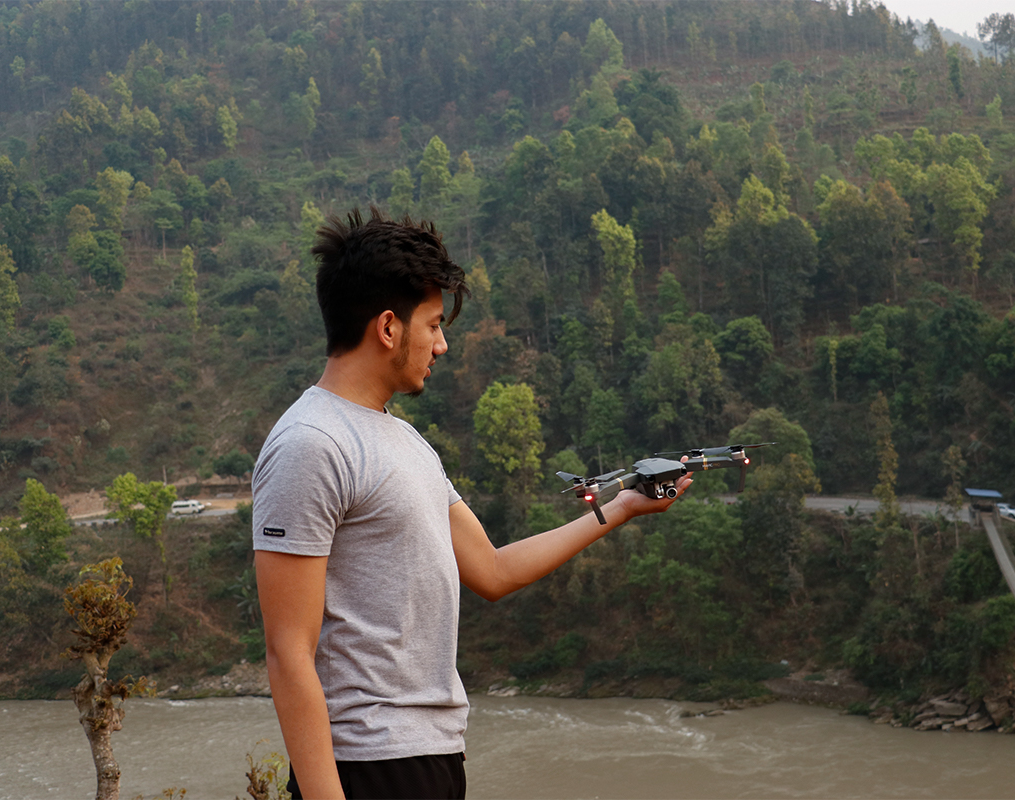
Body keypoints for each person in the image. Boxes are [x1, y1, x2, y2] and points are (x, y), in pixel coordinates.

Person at [253, 207, 691, 800]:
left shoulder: (406, 442)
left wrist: (621, 507)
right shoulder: (312, 444)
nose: (443, 344)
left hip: (434, 755)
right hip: (367, 763)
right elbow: (288, 652)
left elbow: (492, 569)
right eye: (433, 324)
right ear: (388, 327)